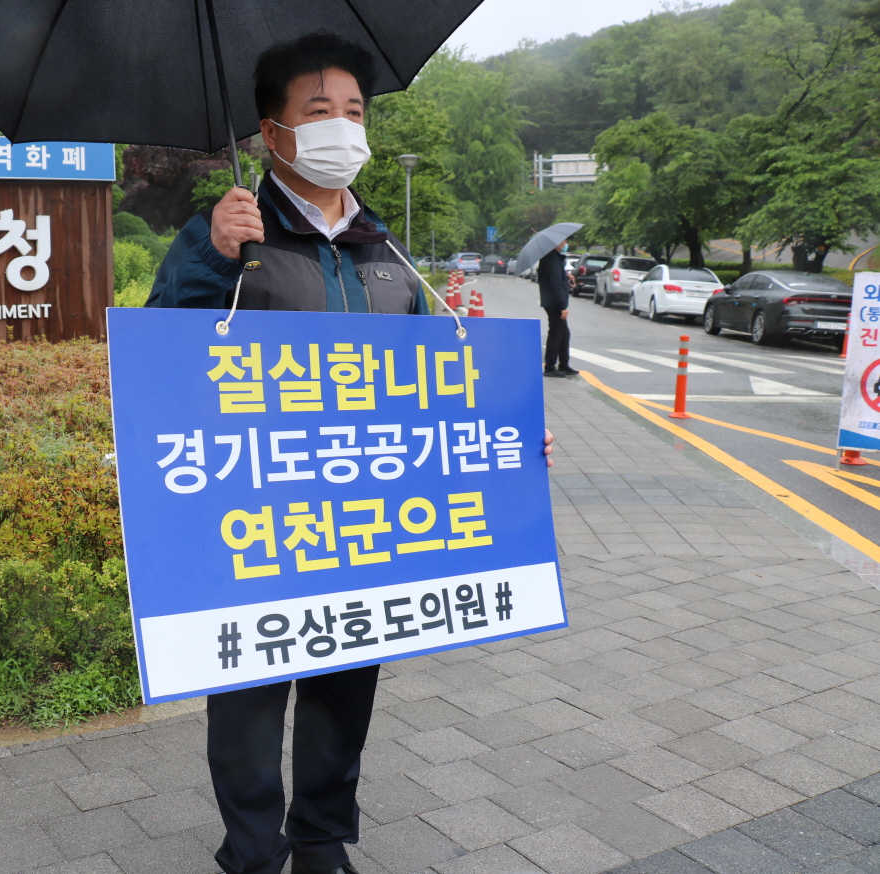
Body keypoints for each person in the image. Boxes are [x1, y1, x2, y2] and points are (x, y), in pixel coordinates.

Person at [148, 32, 553, 874]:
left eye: (354, 111)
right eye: (319, 111)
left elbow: (437, 383)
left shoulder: (388, 254)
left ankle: (323, 839)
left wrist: (506, 437)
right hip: (254, 519)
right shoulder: (227, 237)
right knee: (249, 699)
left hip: (359, 523)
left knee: (345, 687)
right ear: (273, 133)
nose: (343, 128)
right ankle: (252, 850)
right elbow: (161, 357)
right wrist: (210, 259)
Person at [538, 239, 578, 377]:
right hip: (554, 302)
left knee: (564, 333)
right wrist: (562, 306)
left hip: (553, 301)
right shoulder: (553, 259)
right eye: (564, 241)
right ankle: (550, 366)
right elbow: (555, 284)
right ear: (558, 243)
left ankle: (564, 364)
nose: (566, 244)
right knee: (556, 334)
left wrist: (565, 276)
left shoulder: (553, 258)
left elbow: (557, 278)